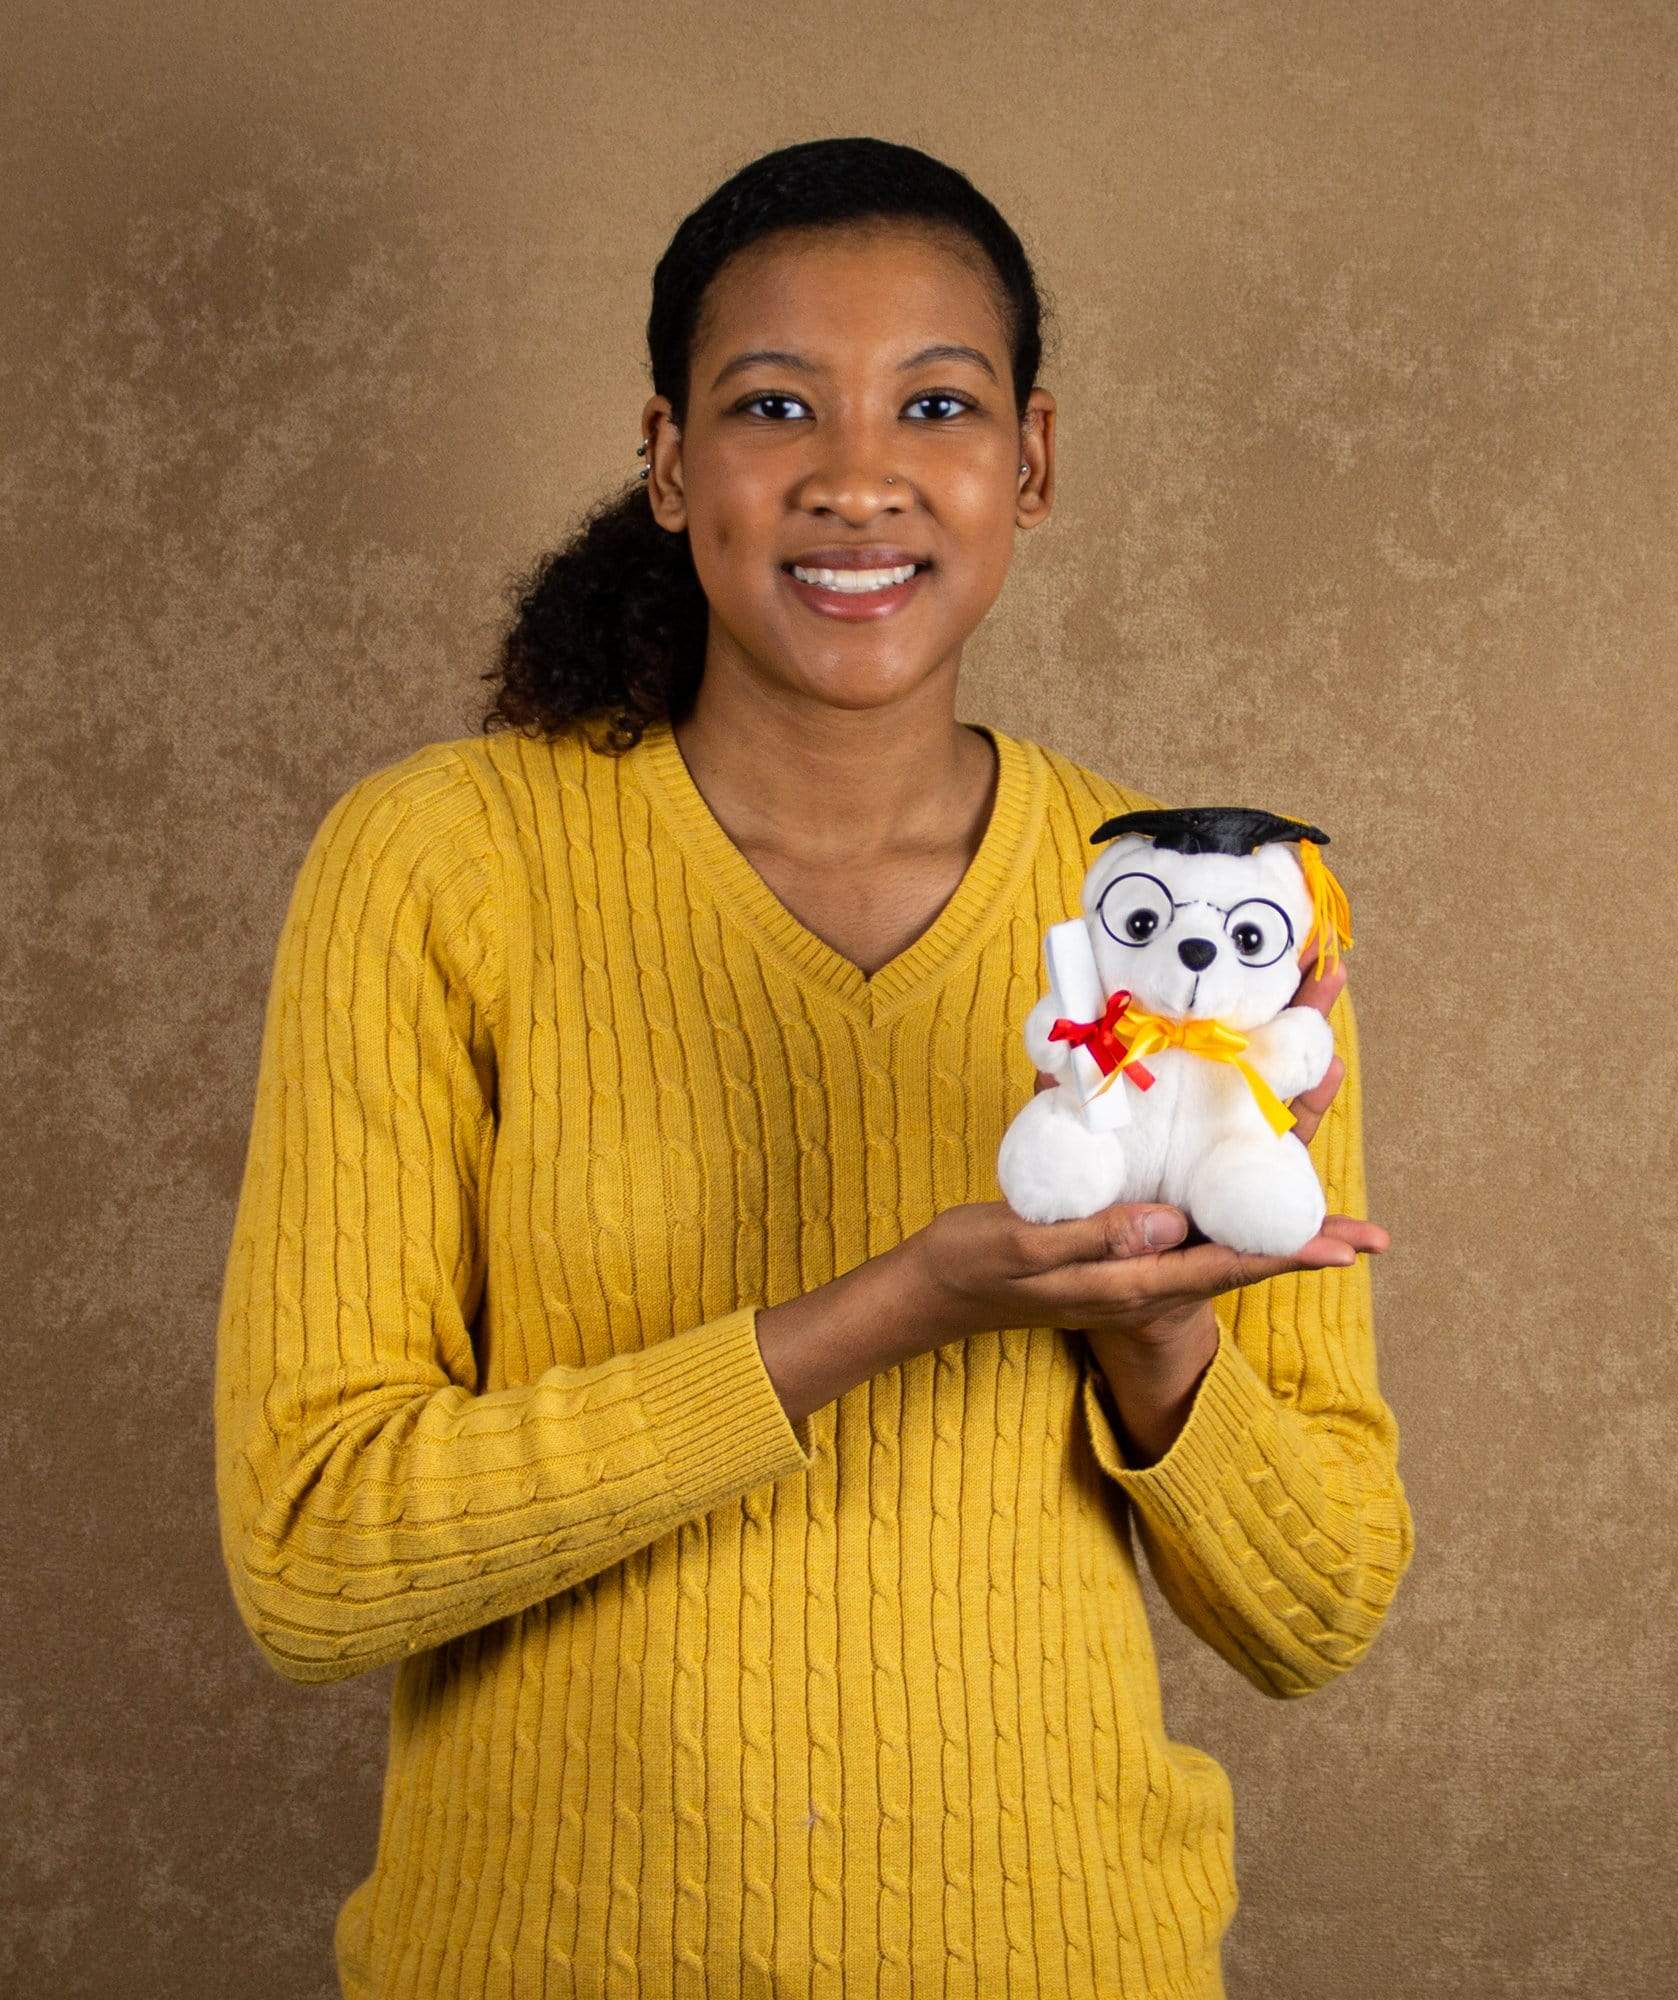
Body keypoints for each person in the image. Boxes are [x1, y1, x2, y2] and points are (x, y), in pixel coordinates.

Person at [212, 134, 1414, 2000]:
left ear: (1030, 461)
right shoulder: (443, 865)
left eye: (936, 404)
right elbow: (311, 1555)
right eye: (775, 406)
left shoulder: (1198, 922)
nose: (858, 477)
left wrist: (1162, 1333)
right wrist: (885, 1313)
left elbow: (1317, 1612)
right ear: (670, 461)